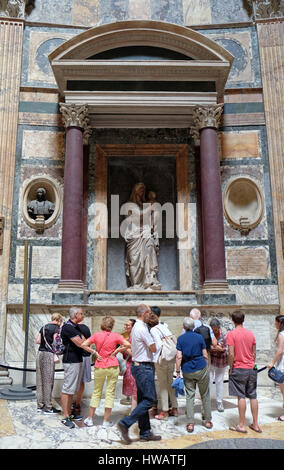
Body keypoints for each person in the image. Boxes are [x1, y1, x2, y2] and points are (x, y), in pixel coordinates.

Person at [117, 304, 161, 444]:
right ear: (144, 313)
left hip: (139, 366)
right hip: (143, 367)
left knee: (143, 400)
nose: (151, 314)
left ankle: (145, 432)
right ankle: (125, 423)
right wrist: (157, 336)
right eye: (149, 312)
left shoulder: (138, 327)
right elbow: (153, 348)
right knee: (149, 400)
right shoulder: (142, 328)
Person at [81, 316, 130, 428]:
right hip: (113, 366)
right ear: (112, 326)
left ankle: (90, 419)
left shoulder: (96, 335)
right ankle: (106, 421)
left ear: (102, 324)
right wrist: (117, 350)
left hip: (100, 365)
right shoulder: (116, 336)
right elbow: (127, 345)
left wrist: (94, 352)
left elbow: (83, 344)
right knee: (110, 393)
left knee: (97, 392)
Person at [227, 310, 262, 434]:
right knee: (253, 395)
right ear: (244, 320)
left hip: (239, 367)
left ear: (232, 320)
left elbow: (231, 353)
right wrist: (251, 363)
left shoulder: (231, 334)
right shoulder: (250, 334)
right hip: (251, 368)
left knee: (241, 396)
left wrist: (231, 367)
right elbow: (254, 353)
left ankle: (242, 425)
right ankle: (256, 424)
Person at [176, 317, 212, 433]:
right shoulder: (199, 337)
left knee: (190, 396)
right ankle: (207, 420)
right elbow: (205, 354)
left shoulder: (181, 339)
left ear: (184, 327)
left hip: (187, 369)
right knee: (205, 394)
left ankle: (190, 423)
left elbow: (179, 356)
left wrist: (177, 371)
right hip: (201, 367)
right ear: (193, 327)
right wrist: (205, 367)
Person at [123, 182, 161, 290]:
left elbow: (151, 220)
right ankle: (136, 284)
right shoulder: (129, 205)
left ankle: (150, 280)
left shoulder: (145, 205)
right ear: (134, 191)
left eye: (143, 190)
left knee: (149, 253)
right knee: (134, 259)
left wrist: (155, 212)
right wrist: (152, 205)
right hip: (134, 235)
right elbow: (139, 216)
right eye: (139, 190)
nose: (141, 192)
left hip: (145, 233)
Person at [150, 307, 178, 420]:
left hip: (163, 359)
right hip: (171, 357)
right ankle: (175, 408)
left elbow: (158, 345)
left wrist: (155, 358)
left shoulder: (153, 330)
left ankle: (165, 412)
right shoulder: (164, 326)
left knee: (162, 385)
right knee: (170, 383)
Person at [60, 306, 86, 429]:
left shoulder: (75, 327)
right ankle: (65, 416)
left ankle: (69, 413)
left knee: (72, 389)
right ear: (76, 315)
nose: (83, 315)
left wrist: (84, 342)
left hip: (77, 360)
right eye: (81, 313)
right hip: (71, 360)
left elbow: (85, 341)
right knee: (68, 388)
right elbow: (82, 343)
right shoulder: (68, 327)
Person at [35, 313, 63, 414]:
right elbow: (56, 344)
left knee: (40, 380)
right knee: (48, 381)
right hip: (48, 355)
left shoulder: (43, 327)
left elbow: (37, 341)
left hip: (40, 353)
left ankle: (39, 405)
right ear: (59, 320)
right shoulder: (57, 328)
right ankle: (48, 407)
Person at [71, 320, 92, 414]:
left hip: (76, 357)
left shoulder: (72, 329)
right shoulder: (86, 328)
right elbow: (89, 343)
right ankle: (78, 403)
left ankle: (71, 402)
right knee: (81, 381)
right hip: (86, 356)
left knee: (73, 380)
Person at [266, 315, 284, 422]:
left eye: (275, 322)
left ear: (279, 323)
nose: (274, 324)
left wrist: (272, 363)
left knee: (283, 390)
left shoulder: (281, 335)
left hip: (283, 364)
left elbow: (280, 351)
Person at [209, 318, 228, 412]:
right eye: (212, 329)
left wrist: (218, 348)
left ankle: (219, 401)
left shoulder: (224, 334)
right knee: (209, 379)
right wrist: (217, 348)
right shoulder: (209, 333)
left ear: (218, 328)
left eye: (215, 329)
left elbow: (226, 348)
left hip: (221, 360)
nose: (213, 331)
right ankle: (206, 400)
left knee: (219, 381)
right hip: (211, 360)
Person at [118, 319, 137, 410]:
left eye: (128, 325)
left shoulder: (134, 337)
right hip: (129, 362)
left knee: (133, 384)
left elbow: (134, 353)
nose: (125, 326)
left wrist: (125, 349)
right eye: (125, 324)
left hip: (133, 363)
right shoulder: (129, 336)